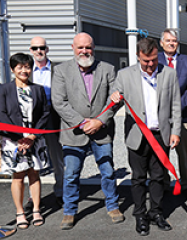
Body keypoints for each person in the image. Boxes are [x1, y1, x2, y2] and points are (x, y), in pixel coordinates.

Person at [51, 32, 124, 230]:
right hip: (74, 132)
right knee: (71, 174)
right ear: (73, 48)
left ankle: (112, 205)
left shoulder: (107, 69)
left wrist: (100, 121)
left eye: (88, 47)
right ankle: (69, 210)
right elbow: (59, 102)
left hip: (102, 131)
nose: (85, 51)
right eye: (80, 47)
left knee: (108, 171)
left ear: (94, 48)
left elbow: (115, 99)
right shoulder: (61, 70)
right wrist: (82, 123)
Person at [110, 38, 181, 236]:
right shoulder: (124, 75)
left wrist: (176, 131)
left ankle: (156, 212)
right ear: (138, 57)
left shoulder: (169, 74)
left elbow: (175, 104)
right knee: (138, 178)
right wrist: (113, 97)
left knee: (159, 177)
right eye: (145, 61)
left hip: (161, 135)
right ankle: (140, 214)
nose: (150, 64)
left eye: (153, 60)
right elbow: (115, 102)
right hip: (137, 135)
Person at [0, 53, 49, 229]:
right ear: (13, 69)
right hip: (13, 141)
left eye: (27, 66)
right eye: (20, 67)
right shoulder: (4, 89)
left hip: (34, 139)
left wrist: (32, 136)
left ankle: (36, 209)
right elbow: (2, 115)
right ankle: (20, 212)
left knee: (34, 174)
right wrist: (19, 138)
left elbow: (45, 113)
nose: (24, 70)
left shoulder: (38, 89)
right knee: (18, 176)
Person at [158, 28, 187, 198]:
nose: (171, 44)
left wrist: (177, 106)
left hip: (183, 114)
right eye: (168, 41)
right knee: (162, 151)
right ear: (161, 43)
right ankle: (164, 183)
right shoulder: (155, 61)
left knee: (183, 151)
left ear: (178, 43)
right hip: (160, 116)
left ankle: (186, 183)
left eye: (174, 41)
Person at [29, 36, 64, 207]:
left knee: (56, 156)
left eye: (42, 47)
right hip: (31, 118)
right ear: (31, 51)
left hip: (53, 115)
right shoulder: (26, 69)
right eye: (35, 48)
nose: (39, 51)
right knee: (30, 157)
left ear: (47, 49)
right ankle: (32, 197)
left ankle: (60, 191)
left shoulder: (58, 69)